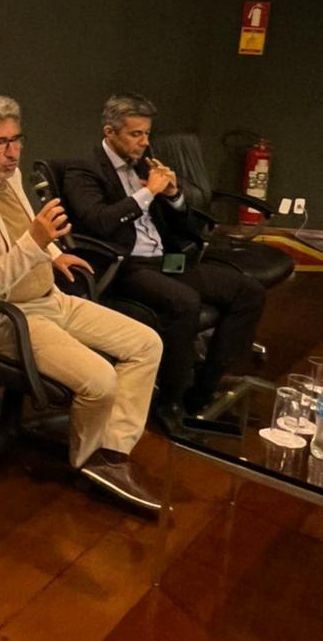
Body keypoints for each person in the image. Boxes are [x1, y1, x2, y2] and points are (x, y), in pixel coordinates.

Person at [0, 93, 163, 513]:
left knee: (147, 343)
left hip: (49, 298)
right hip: (7, 318)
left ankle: (110, 454)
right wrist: (37, 241)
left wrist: (54, 253)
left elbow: (26, 227)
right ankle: (87, 461)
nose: (12, 153)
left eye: (15, 139)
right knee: (100, 381)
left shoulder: (8, 175)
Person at [61, 93, 265, 426]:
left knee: (248, 291)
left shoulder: (145, 165)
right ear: (110, 132)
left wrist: (173, 195)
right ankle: (170, 401)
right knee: (184, 302)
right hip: (123, 265)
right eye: (135, 134)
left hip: (164, 260)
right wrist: (148, 193)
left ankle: (203, 390)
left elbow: (183, 225)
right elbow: (99, 221)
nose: (144, 142)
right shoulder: (83, 170)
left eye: (146, 133)